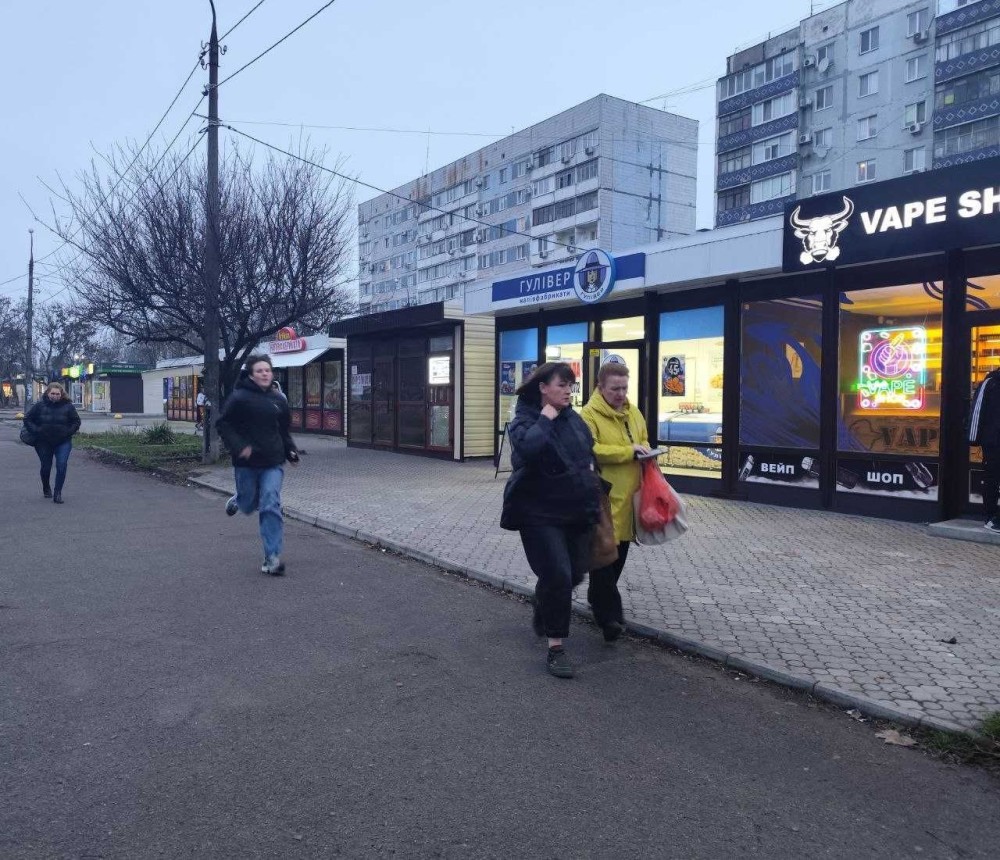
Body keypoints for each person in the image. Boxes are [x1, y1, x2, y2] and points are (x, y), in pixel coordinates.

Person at [500, 362, 601, 679]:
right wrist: (546, 417)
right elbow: (527, 449)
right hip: (538, 513)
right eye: (562, 385)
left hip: (574, 510)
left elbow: (588, 453)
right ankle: (556, 648)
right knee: (558, 574)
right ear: (543, 388)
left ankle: (543, 601)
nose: (568, 391)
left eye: (571, 385)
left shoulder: (575, 419)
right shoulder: (525, 420)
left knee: (574, 573)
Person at [581, 362, 652, 641]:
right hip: (605, 498)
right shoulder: (589, 415)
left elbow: (643, 438)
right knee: (604, 560)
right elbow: (591, 449)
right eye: (615, 389)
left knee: (619, 557)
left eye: (624, 388)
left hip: (631, 497)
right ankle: (610, 617)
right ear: (600, 387)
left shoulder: (633, 412)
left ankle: (598, 599)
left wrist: (646, 450)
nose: (621, 394)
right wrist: (628, 452)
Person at [215, 354, 299, 575]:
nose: (264, 374)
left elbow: (283, 431)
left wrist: (291, 451)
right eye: (260, 370)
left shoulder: (279, 400)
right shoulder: (239, 398)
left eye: (267, 370)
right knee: (248, 505)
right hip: (246, 463)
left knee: (270, 503)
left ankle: (272, 557)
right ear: (251, 375)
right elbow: (223, 424)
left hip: (273, 461)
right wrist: (239, 446)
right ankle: (238, 499)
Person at [23, 381, 82, 504]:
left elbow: (76, 421)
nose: (55, 396)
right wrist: (36, 430)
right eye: (53, 393)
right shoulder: (39, 406)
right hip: (43, 442)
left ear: (62, 394)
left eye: (57, 394)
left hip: (63, 441)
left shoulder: (68, 406)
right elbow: (27, 419)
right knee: (46, 466)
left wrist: (68, 432)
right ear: (48, 393)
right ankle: (46, 487)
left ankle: (57, 493)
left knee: (61, 465)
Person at [969, 367, 1000, 532]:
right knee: (992, 478)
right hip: (993, 441)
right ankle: (991, 517)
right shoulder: (991, 382)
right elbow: (978, 410)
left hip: (992, 438)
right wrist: (974, 438)